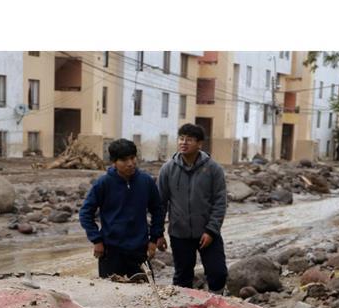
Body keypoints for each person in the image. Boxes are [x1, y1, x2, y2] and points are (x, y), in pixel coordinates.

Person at [79, 138, 165, 280]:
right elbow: (85, 213)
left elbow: (158, 210)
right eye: (124, 160)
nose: (130, 164)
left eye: (132, 158)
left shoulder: (146, 181)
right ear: (114, 161)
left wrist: (154, 239)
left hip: (139, 250)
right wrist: (97, 240)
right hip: (111, 251)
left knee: (145, 295)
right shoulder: (103, 183)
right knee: (112, 296)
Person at [158, 123, 229, 294]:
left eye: (189, 140)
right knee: (182, 277)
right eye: (181, 139)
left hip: (207, 233)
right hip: (179, 233)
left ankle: (217, 307)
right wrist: (157, 233)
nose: (183, 143)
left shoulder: (213, 169)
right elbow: (160, 203)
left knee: (218, 272)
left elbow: (220, 202)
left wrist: (211, 230)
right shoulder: (168, 169)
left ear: (199, 144)